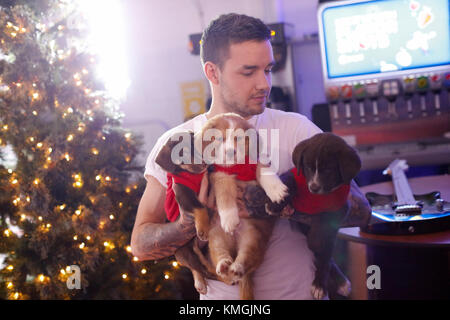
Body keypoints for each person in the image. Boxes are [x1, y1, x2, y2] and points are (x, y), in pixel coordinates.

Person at [130, 13, 371, 299]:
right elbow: (141, 245)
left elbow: (360, 211)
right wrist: (188, 222)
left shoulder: (296, 129)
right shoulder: (180, 143)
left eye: (267, 69)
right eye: (248, 72)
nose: (264, 83)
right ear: (212, 72)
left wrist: (282, 206)